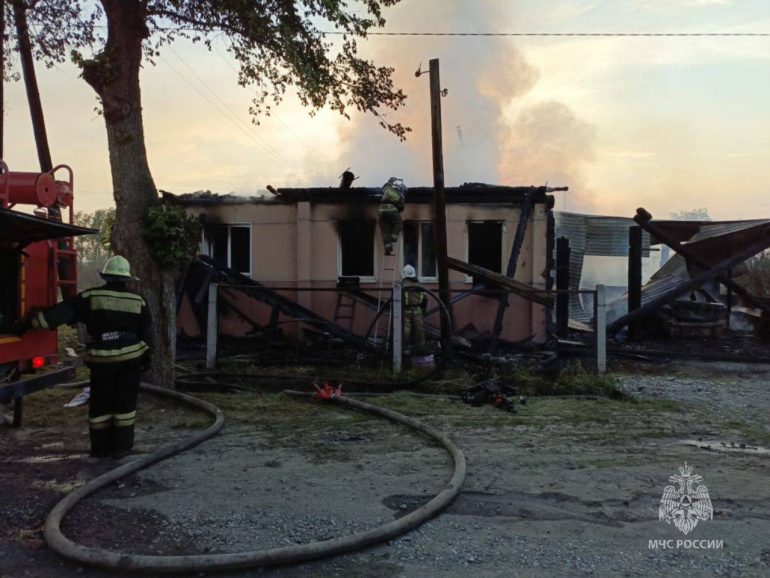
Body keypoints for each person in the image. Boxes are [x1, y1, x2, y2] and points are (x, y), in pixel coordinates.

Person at [16, 255, 152, 460]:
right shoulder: (138, 300)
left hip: (102, 361)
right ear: (126, 279)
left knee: (100, 404)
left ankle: (99, 448)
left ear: (106, 277)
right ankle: (121, 447)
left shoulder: (90, 297)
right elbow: (149, 332)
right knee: (125, 403)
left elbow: (62, 313)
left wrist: (29, 324)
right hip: (130, 359)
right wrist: (147, 357)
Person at [402, 264, 427, 354]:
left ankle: (404, 350)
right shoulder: (420, 286)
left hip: (405, 311)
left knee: (405, 331)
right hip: (418, 311)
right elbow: (425, 300)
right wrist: (423, 312)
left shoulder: (403, 286)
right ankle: (421, 351)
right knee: (419, 331)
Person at [378, 177, 406, 256]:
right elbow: (401, 208)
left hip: (381, 210)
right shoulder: (401, 195)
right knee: (398, 223)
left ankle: (388, 250)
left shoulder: (388, 189)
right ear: (401, 189)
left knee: (385, 231)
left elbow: (384, 186)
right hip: (391, 209)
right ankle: (393, 239)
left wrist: (390, 180)